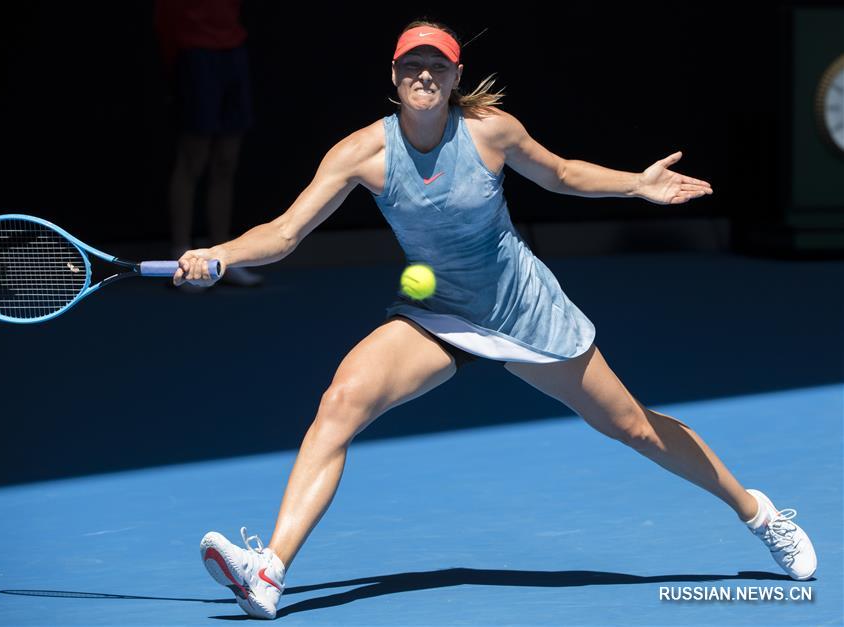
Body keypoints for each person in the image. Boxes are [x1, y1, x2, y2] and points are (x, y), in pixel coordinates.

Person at [175, 21, 817, 619]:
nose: (424, 75)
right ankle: (269, 572)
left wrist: (636, 185)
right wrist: (220, 254)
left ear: (456, 79)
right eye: (412, 65)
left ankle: (759, 514)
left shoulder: (490, 131)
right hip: (438, 312)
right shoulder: (360, 152)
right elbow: (286, 233)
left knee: (635, 429)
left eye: (437, 65)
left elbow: (562, 175)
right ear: (392, 77)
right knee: (341, 400)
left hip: (524, 309)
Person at [155, 0, 263, 289]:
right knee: (194, 157)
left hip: (233, 52)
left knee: (227, 160)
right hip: (195, 53)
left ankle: (222, 260)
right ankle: (180, 258)